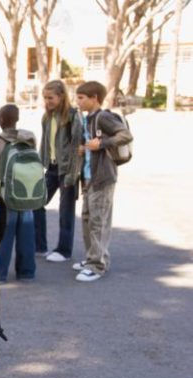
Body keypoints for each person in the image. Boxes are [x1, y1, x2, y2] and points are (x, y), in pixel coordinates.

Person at [73, 81, 133, 282]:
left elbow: (125, 135)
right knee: (88, 218)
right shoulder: (89, 118)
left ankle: (96, 265)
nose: (78, 101)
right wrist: (86, 147)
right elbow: (92, 144)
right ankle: (93, 257)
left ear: (94, 98)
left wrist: (102, 144)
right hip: (90, 176)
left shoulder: (103, 117)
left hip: (103, 176)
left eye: (81, 98)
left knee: (98, 220)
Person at [0, 104, 36, 281]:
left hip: (5, 196)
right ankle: (26, 271)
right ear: (17, 119)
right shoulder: (29, 139)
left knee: (5, 233)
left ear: (1, 120)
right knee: (26, 234)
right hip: (27, 193)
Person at [33, 80, 83, 263]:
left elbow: (77, 145)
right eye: (45, 98)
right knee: (36, 202)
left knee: (66, 210)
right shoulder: (47, 117)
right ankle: (40, 246)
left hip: (67, 169)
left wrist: (73, 173)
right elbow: (44, 144)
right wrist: (38, 166)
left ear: (61, 96)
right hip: (51, 168)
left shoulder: (72, 116)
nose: (47, 101)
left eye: (51, 98)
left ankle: (64, 250)